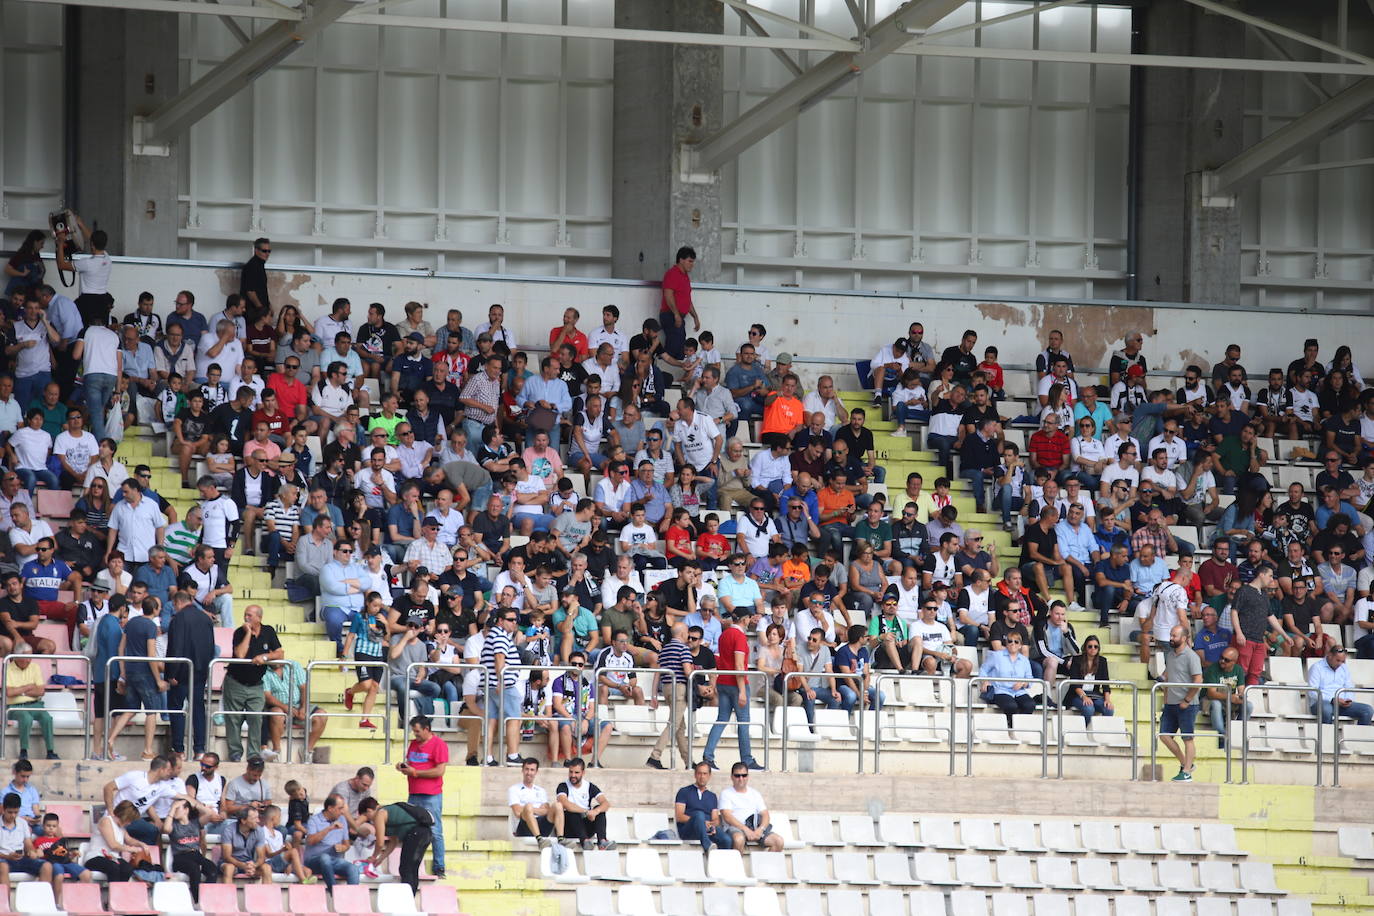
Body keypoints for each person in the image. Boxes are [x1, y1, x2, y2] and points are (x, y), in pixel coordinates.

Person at [702, 608, 763, 772]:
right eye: (749, 619)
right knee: (743, 722)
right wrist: (742, 690)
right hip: (736, 684)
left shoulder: (724, 635)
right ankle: (747, 760)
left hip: (723, 681)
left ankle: (708, 757)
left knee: (721, 719)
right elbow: (738, 665)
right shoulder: (739, 636)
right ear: (744, 620)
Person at [225, 604, 282, 762]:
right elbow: (240, 654)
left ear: (259, 617)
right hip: (235, 682)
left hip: (256, 684)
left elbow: (280, 652)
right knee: (233, 719)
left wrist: (264, 657)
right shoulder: (239, 632)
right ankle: (235, 753)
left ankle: (253, 754)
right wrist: (248, 633)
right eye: (245, 614)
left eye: (250, 615)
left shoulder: (268, 631)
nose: (246, 618)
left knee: (256, 718)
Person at [398, 714, 448, 877]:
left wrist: (415, 772)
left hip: (431, 795)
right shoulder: (413, 744)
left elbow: (440, 771)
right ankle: (412, 865)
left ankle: (439, 866)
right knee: (411, 830)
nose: (415, 734)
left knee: (435, 831)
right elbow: (411, 763)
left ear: (427, 729)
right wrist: (404, 767)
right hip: (414, 793)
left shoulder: (439, 744)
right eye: (414, 731)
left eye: (418, 731)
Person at [358, 797, 433, 894]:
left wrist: (373, 857)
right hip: (426, 834)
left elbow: (380, 842)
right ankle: (410, 897)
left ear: (369, 811)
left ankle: (407, 899)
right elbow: (393, 841)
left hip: (415, 834)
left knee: (406, 869)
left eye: (366, 817)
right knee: (412, 868)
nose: (370, 820)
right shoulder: (389, 812)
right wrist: (380, 859)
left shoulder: (380, 814)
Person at [1159, 624, 1203, 782]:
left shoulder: (1192, 656)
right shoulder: (1170, 655)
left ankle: (1186, 771)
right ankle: (1186, 764)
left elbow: (1198, 680)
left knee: (1187, 738)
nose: (1171, 638)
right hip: (1171, 703)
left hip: (1187, 704)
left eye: (1174, 636)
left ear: (1184, 638)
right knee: (1164, 735)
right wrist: (1162, 679)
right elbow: (1168, 672)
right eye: (1171, 635)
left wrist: (1187, 700)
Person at [3, 645, 57, 760]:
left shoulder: (35, 667)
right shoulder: (7, 668)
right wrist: (28, 687)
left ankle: (50, 751)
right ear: (17, 657)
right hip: (15, 707)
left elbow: (41, 691)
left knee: (47, 718)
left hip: (35, 704)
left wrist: (20, 691)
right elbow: (9, 692)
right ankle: (23, 751)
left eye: (30, 656)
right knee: (25, 718)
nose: (29, 659)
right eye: (26, 656)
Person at [717, 762, 784, 852]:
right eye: (737, 776)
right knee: (739, 839)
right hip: (735, 828)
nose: (741, 778)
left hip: (755, 827)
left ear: (748, 776)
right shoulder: (726, 793)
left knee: (778, 841)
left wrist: (761, 829)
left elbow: (765, 814)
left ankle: (765, 866)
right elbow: (727, 816)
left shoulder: (755, 793)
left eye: (744, 775)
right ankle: (736, 866)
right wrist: (746, 829)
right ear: (732, 777)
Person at [303, 793, 361, 891]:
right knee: (325, 858)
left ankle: (352, 898)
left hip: (334, 860)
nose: (343, 812)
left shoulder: (342, 819)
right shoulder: (314, 820)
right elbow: (310, 841)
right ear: (330, 808)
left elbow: (346, 844)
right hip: (314, 860)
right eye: (340, 808)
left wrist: (343, 847)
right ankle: (333, 891)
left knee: (353, 869)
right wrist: (329, 829)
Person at [556, 758, 614, 851]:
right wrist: (586, 812)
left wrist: (595, 811)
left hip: (585, 825)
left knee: (599, 810)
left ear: (583, 773)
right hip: (569, 827)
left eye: (576, 772)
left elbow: (606, 803)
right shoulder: (563, 786)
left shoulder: (590, 786)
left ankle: (602, 841)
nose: (573, 775)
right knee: (571, 811)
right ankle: (584, 841)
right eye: (571, 772)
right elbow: (564, 803)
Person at [978, 630, 1035, 725]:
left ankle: (1019, 726)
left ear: (1020, 645)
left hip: (1019, 691)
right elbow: (983, 669)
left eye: (1016, 642)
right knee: (1011, 706)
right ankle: (1010, 724)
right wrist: (985, 681)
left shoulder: (1024, 660)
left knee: (1030, 705)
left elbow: (1030, 678)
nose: (1013, 644)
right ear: (1006, 643)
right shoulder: (996, 656)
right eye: (1010, 641)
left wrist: (1023, 683)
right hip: (1000, 690)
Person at [1308, 645, 1373, 726]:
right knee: (1326, 709)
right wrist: (1332, 699)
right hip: (1322, 703)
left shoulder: (1344, 667)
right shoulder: (1316, 668)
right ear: (1330, 655)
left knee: (1367, 710)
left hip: (1341, 704)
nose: (1340, 664)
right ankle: (1327, 737)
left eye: (1342, 661)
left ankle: (1357, 737)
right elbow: (1313, 691)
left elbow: (1349, 687)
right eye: (1338, 660)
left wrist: (1348, 700)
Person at [674, 761, 731, 852]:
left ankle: (721, 864)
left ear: (709, 776)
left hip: (708, 829)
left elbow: (715, 819)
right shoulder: (684, 791)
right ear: (695, 775)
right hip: (689, 829)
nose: (702, 777)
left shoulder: (712, 796)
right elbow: (679, 817)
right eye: (699, 773)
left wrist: (711, 826)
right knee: (699, 815)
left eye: (705, 774)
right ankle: (707, 845)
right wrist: (701, 822)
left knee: (727, 840)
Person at [508, 758, 564, 848]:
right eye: (527, 769)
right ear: (522, 770)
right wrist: (533, 809)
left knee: (558, 805)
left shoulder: (541, 791)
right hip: (524, 826)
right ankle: (540, 840)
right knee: (528, 806)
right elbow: (518, 812)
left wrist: (531, 810)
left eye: (532, 770)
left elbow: (547, 810)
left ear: (536, 772)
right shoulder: (514, 789)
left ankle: (561, 839)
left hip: (541, 823)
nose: (529, 772)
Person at [1202, 648, 1249, 748]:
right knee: (1216, 704)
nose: (1222, 661)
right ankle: (1221, 735)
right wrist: (1230, 697)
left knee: (1248, 705)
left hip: (1228, 700)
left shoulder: (1238, 669)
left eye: (1226, 660)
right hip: (1209, 700)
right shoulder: (1213, 669)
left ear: (1234, 662)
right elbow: (1211, 694)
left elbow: (1241, 689)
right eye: (1221, 658)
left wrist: (1240, 697)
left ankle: (1236, 731)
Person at [1063, 635, 1113, 723]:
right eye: (1090, 646)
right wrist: (1084, 697)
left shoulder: (1102, 661)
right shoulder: (1077, 660)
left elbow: (1106, 683)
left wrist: (1107, 700)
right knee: (1089, 709)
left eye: (1096, 647)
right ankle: (1084, 731)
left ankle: (1102, 733)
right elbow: (1075, 683)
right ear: (1085, 648)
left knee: (1109, 709)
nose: (1093, 649)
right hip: (1078, 694)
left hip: (1095, 695)